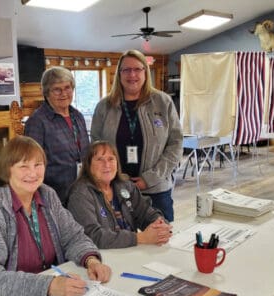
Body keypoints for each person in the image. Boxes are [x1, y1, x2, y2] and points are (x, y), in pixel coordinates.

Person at [0, 136, 111, 296]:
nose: (33, 173)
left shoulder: (47, 194)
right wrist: (49, 286)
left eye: (38, 164)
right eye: (23, 166)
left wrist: (91, 260)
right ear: (7, 170)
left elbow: (73, 236)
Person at [91, 50, 183, 222]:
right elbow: (95, 147)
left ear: (145, 72)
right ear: (119, 74)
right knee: (121, 242)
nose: (132, 75)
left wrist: (150, 178)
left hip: (156, 190)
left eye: (137, 69)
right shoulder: (105, 106)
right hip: (115, 190)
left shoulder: (163, 102)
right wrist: (110, 178)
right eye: (126, 70)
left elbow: (175, 144)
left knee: (160, 241)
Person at [68, 141, 172, 249]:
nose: (106, 165)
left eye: (111, 159)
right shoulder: (80, 194)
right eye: (100, 159)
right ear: (88, 165)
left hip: (129, 252)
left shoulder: (126, 186)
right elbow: (93, 236)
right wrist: (139, 238)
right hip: (100, 258)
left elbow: (145, 212)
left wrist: (160, 225)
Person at [25, 66, 90, 206]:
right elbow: (31, 164)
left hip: (83, 192)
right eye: (57, 89)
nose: (64, 93)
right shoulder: (37, 121)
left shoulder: (78, 116)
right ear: (46, 93)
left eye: (67, 88)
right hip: (54, 197)